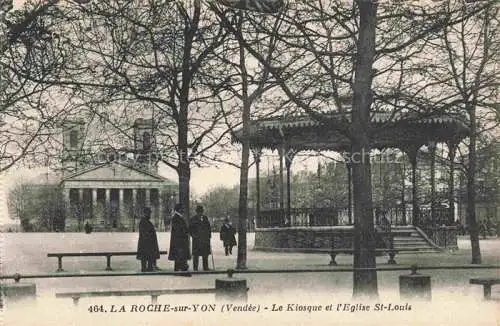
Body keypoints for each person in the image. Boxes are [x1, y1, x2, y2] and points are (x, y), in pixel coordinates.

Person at [136, 207, 160, 272]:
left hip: (147, 244)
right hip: (146, 244)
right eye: (149, 213)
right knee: (145, 258)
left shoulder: (146, 221)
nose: (150, 215)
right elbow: (144, 233)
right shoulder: (143, 221)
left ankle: (149, 268)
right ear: (145, 213)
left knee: (147, 258)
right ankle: (146, 269)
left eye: (149, 213)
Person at [168, 204, 191, 271]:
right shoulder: (176, 218)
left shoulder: (177, 217)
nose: (183, 210)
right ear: (179, 209)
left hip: (178, 240)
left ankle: (178, 268)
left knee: (179, 255)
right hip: (179, 240)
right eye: (182, 209)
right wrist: (186, 231)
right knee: (180, 255)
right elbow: (179, 230)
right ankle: (181, 268)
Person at [189, 205, 212, 271]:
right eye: (199, 212)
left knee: (205, 254)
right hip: (197, 240)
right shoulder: (193, 219)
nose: (201, 213)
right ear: (197, 212)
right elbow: (190, 229)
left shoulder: (205, 218)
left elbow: (208, 228)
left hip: (205, 239)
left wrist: (209, 236)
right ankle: (195, 268)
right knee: (196, 255)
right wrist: (193, 236)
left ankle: (205, 267)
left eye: (201, 212)